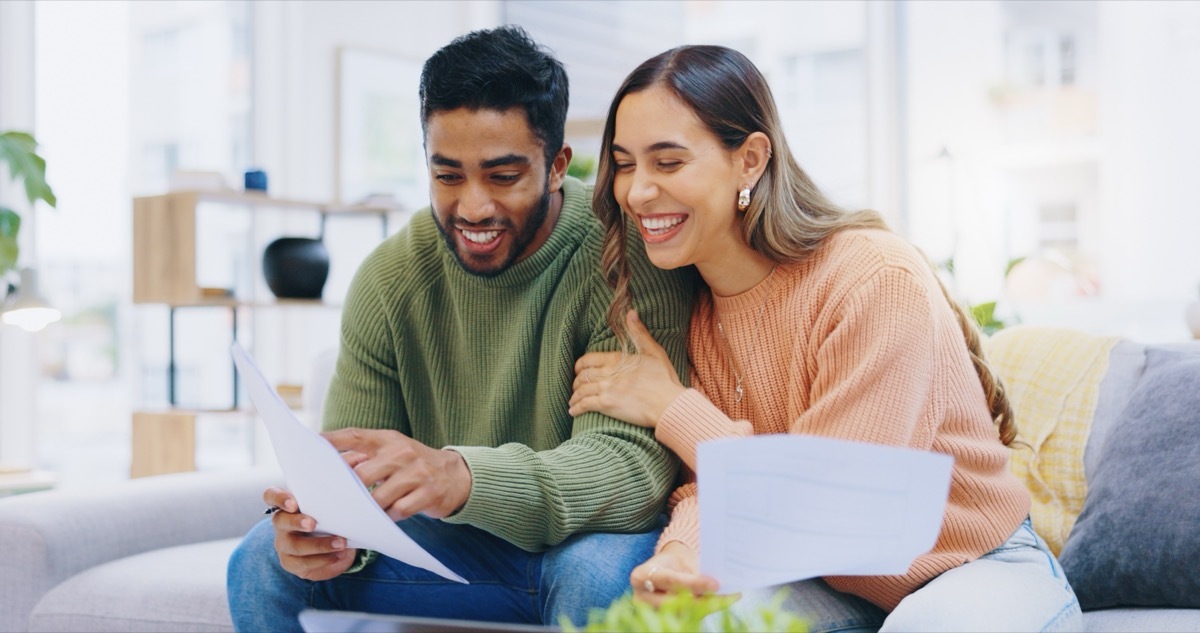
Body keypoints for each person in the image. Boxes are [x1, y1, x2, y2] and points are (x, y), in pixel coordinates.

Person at [568, 45, 1083, 632]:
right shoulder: (695, 311)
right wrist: (683, 556)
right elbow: (713, 489)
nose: (635, 192)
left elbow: (831, 498)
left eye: (667, 162)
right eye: (625, 164)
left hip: (974, 567)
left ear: (751, 160)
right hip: (832, 581)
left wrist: (674, 407)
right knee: (692, 625)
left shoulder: (870, 279)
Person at [226, 27, 698, 632]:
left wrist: (463, 476)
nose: (473, 207)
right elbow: (353, 473)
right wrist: (331, 533)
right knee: (259, 561)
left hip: (584, 546)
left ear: (556, 166)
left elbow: (629, 476)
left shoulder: (621, 256)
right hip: (453, 552)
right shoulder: (391, 279)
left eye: (502, 176)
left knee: (594, 577)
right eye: (448, 175)